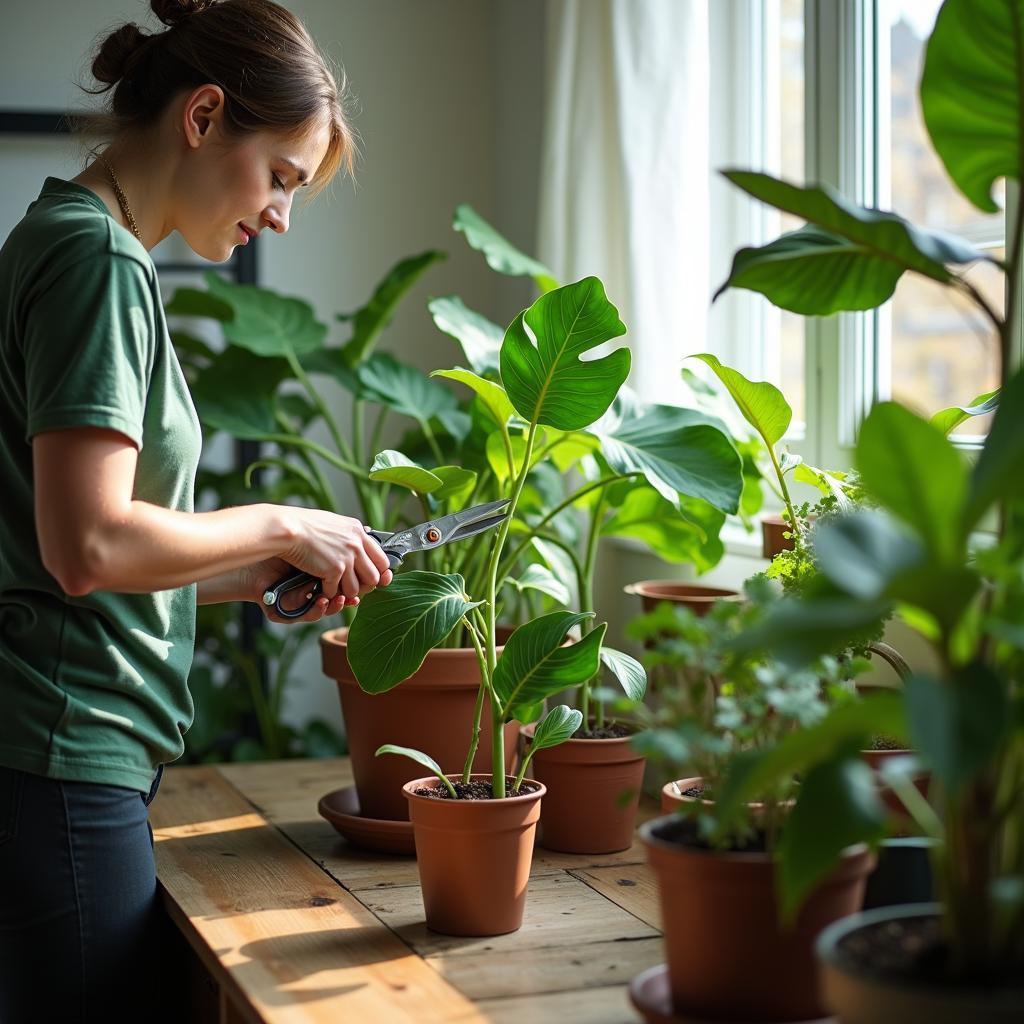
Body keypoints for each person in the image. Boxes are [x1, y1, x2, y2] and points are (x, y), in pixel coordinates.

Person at [0, 1, 392, 1019]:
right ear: (205, 116)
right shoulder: (97, 262)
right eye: (282, 179)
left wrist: (246, 576)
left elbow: (67, 554)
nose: (280, 216)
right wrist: (279, 524)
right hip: (61, 757)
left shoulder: (71, 239)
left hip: (59, 754)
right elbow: (86, 543)